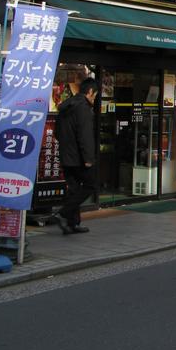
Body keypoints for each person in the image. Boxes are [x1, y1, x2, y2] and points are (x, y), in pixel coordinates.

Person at [55, 77, 99, 235]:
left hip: (66, 155)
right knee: (90, 186)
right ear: (90, 92)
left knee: (74, 190)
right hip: (79, 157)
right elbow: (85, 135)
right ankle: (63, 213)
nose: (94, 99)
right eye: (95, 95)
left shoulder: (66, 107)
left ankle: (72, 224)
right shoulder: (83, 108)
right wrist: (88, 159)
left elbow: (57, 132)